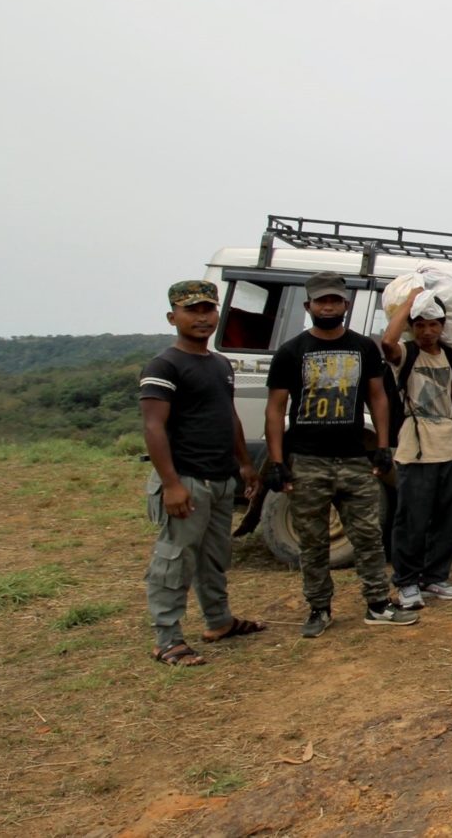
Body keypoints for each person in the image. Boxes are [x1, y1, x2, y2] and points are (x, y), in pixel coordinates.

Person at [263, 271, 417, 637]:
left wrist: (382, 446)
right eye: (321, 301)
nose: (328, 306)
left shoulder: (364, 347)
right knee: (313, 540)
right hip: (307, 460)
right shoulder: (291, 352)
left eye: (335, 300)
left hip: (353, 458)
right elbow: (275, 408)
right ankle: (318, 608)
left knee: (367, 535)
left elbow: (377, 396)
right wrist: (277, 461)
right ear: (309, 306)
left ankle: (378, 604)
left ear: (346, 305)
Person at [139, 280, 264, 666]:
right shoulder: (165, 365)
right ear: (172, 316)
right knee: (175, 559)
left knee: (214, 556)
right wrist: (172, 485)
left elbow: (228, 416)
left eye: (208, 309)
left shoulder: (219, 364)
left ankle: (219, 621)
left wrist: (244, 463)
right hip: (187, 480)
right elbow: (153, 427)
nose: (202, 317)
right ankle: (167, 639)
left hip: (221, 477)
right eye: (192, 310)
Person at [378, 285, 452, 609]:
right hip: (415, 446)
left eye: (434, 324)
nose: (428, 331)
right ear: (412, 325)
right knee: (412, 519)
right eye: (421, 324)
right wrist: (409, 302)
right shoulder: (405, 352)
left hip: (448, 445)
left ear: (443, 325)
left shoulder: (448, 354)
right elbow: (386, 343)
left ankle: (435, 577)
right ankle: (406, 581)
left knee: (446, 517)